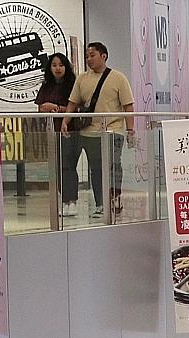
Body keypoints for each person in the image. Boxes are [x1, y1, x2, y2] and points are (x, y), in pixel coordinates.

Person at [62, 42, 136, 219]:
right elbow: (73, 102)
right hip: (88, 132)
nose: (89, 59)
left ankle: (115, 198)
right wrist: (65, 120)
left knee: (112, 166)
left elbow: (128, 105)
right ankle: (101, 204)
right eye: (87, 56)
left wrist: (130, 130)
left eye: (92, 55)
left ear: (104, 56)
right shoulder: (82, 79)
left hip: (112, 131)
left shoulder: (118, 78)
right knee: (96, 169)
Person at [37, 54, 76, 209]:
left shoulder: (72, 85)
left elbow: (75, 109)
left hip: (68, 131)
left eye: (61, 65)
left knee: (68, 166)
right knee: (57, 167)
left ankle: (70, 200)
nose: (58, 68)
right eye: (54, 65)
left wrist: (56, 108)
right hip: (51, 131)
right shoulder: (46, 86)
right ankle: (64, 199)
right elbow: (40, 107)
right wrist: (45, 108)